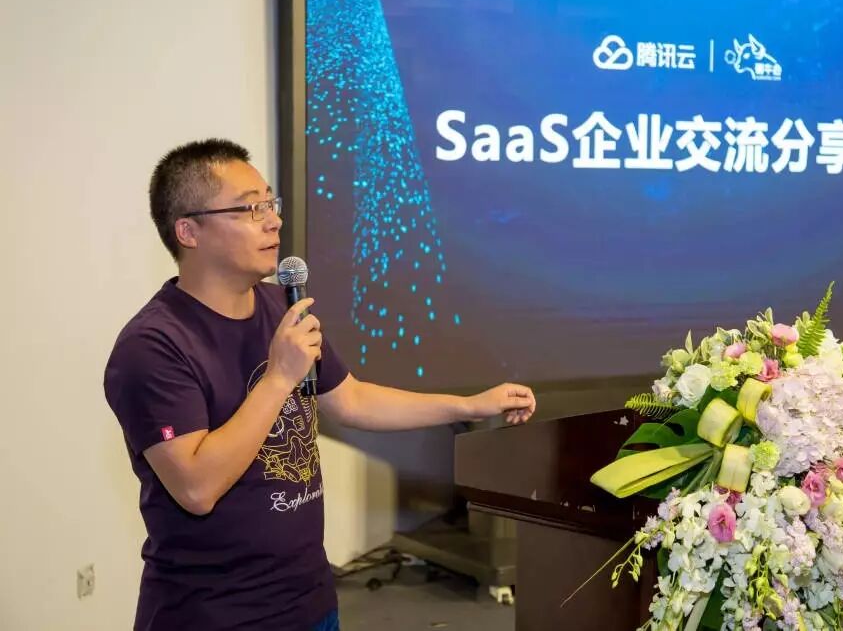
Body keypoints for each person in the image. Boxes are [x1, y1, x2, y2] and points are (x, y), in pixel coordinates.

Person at [104, 139, 536, 631]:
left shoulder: (279, 306)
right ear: (188, 231)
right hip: (214, 614)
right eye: (250, 208)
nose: (273, 221)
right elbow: (197, 487)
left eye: (271, 203)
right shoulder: (153, 346)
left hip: (309, 601)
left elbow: (351, 399)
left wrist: (467, 406)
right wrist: (279, 377)